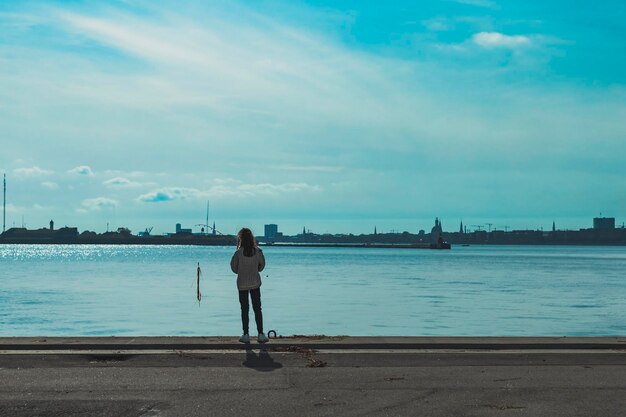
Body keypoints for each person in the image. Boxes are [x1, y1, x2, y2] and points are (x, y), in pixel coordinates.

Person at [230, 228, 267, 343]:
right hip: (255, 283)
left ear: (240, 239)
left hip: (242, 284)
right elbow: (261, 267)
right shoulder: (258, 251)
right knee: (257, 309)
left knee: (244, 309)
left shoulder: (238, 253)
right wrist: (254, 269)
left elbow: (234, 268)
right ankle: (260, 334)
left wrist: (242, 270)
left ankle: (245, 334)